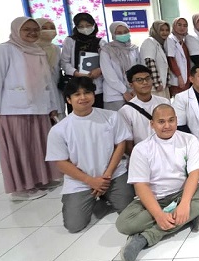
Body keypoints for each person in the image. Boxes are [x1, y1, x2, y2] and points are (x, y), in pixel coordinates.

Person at [116, 104, 199, 261]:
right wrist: (158, 215)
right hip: (155, 199)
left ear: (176, 120)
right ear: (152, 124)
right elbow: (141, 186)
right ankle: (191, 217)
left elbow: (194, 173)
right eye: (161, 122)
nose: (167, 126)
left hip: (183, 193)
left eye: (171, 120)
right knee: (124, 224)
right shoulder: (141, 149)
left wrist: (184, 204)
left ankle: (145, 238)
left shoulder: (189, 140)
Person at [0, 16, 61, 200]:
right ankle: (21, 188)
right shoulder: (4, 50)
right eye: (27, 29)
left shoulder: (38, 51)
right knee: (20, 148)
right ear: (16, 30)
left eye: (35, 30)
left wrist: (52, 106)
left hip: (39, 108)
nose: (32, 33)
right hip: (14, 110)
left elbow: (47, 82)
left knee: (39, 146)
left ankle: (41, 179)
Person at [47, 77, 134, 232]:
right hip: (81, 181)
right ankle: (92, 198)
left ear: (94, 95)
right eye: (77, 94)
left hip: (112, 175)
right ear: (68, 99)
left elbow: (120, 145)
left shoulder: (111, 117)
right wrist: (90, 181)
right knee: (74, 226)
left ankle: (106, 194)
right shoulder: (59, 129)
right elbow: (61, 162)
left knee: (127, 209)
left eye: (87, 92)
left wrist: (106, 176)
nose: (83, 97)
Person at [118, 65, 171, 152]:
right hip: (143, 154)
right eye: (139, 80)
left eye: (147, 78)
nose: (145, 82)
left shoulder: (164, 102)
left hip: (166, 150)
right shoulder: (126, 111)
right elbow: (128, 144)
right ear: (131, 85)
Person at [61, 12, 105, 110]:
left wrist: (100, 70)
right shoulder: (70, 41)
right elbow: (64, 62)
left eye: (88, 25)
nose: (85, 29)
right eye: (81, 26)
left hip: (97, 87)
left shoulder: (101, 42)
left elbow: (106, 63)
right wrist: (77, 73)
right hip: (76, 84)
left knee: (98, 115)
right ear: (76, 27)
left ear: (94, 25)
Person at [99, 22, 140, 110]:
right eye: (119, 33)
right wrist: (124, 91)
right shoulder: (106, 50)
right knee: (116, 121)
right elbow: (109, 75)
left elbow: (138, 70)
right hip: (114, 95)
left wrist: (134, 89)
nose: (123, 34)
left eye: (125, 31)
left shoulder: (134, 49)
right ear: (113, 34)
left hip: (133, 92)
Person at [34, 17, 64, 119]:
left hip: (56, 89)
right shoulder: (30, 49)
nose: (49, 30)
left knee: (59, 120)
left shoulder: (55, 48)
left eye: (52, 27)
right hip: (38, 92)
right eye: (44, 28)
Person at [141, 20, 171, 99]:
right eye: (162, 30)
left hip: (162, 86)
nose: (165, 32)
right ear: (155, 30)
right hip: (155, 88)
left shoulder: (161, 44)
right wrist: (157, 83)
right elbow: (150, 64)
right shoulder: (149, 42)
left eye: (167, 30)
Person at [166, 17, 193, 96]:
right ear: (174, 26)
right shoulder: (170, 40)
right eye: (179, 25)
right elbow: (171, 60)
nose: (182, 28)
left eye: (185, 25)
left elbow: (187, 61)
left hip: (185, 78)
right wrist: (179, 76)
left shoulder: (182, 41)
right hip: (177, 79)